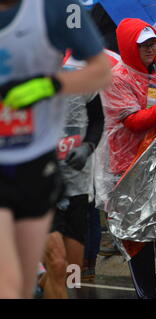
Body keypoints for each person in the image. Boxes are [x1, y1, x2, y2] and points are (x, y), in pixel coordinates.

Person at [0, 0, 110, 299]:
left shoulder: (50, 12)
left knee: (63, 269)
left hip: (50, 176)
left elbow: (101, 77)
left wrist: (87, 147)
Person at [96, 18, 156, 299]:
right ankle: (147, 292)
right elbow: (135, 122)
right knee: (138, 237)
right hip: (128, 170)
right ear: (128, 47)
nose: (150, 49)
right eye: (143, 45)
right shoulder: (116, 79)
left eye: (152, 43)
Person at [38, 53, 105, 299]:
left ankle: (38, 284)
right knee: (57, 263)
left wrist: (87, 146)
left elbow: (98, 121)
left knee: (69, 271)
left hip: (77, 185)